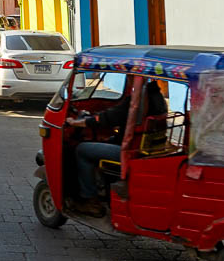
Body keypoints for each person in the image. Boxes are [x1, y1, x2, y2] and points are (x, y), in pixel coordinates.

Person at [67, 80, 169, 216]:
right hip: (144, 150)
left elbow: (106, 118)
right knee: (105, 141)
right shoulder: (158, 99)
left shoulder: (138, 99)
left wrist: (77, 122)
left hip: (128, 152)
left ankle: (90, 201)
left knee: (82, 150)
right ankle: (101, 187)